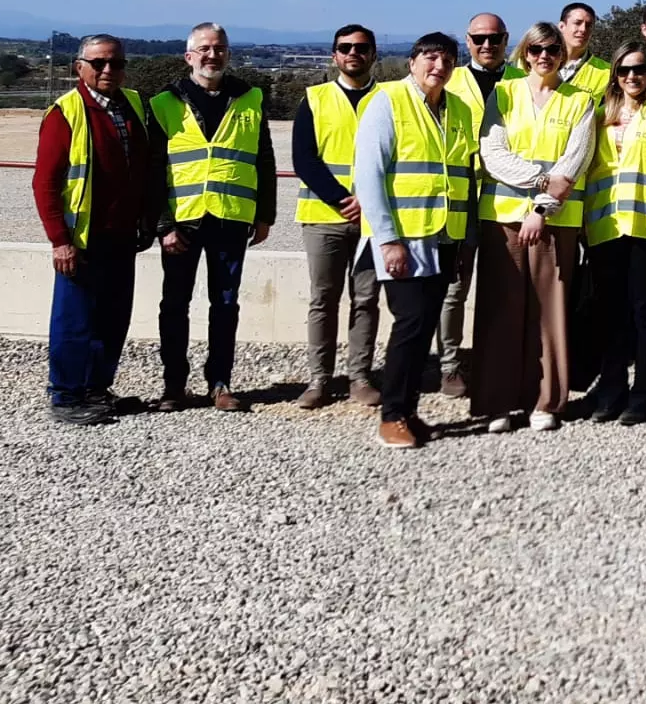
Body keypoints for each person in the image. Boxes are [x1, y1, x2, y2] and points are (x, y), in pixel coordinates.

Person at [353, 34, 477, 449]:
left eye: (447, 60)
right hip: (403, 238)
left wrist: (461, 239)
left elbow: (460, 176)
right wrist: (387, 239)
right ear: (412, 62)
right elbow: (368, 175)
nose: (438, 65)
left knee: (424, 326)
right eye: (430, 57)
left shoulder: (458, 108)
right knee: (409, 324)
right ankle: (391, 416)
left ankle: (409, 411)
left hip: (443, 237)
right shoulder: (387, 101)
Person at [472, 21, 596, 432]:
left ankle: (546, 402)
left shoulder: (580, 101)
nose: (545, 56)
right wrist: (541, 181)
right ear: (525, 53)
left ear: (563, 54)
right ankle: (497, 402)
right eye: (537, 49)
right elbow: (492, 153)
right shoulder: (504, 93)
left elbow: (575, 160)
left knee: (550, 313)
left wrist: (541, 209)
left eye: (553, 49)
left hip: (555, 220)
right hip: (502, 217)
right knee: (500, 310)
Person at [147, 23, 275, 413]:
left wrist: (264, 215)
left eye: (219, 48)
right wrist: (163, 225)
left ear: (228, 54)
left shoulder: (251, 98)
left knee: (225, 304)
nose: (212, 55)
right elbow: (152, 170)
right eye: (204, 49)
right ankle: (174, 386)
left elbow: (264, 160)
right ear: (189, 56)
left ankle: (220, 384)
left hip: (230, 218)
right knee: (174, 305)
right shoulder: (164, 102)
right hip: (182, 222)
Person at [31, 35, 155, 426]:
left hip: (122, 235)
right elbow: (45, 183)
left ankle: (97, 390)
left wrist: (147, 220)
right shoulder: (65, 113)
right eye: (98, 63)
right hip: (82, 238)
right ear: (79, 67)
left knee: (113, 318)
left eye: (116, 63)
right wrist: (60, 241)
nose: (108, 70)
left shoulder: (134, 105)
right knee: (75, 320)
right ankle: (66, 396)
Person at [583, 42, 646, 424]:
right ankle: (611, 392)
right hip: (605, 226)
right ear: (615, 75)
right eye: (624, 70)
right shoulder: (599, 116)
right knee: (610, 313)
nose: (632, 77)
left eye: (639, 69)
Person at [289, 25, 382, 410]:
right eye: (345, 48)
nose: (353, 53)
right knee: (323, 299)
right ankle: (319, 380)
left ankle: (360, 377)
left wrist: (369, 202)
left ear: (373, 54)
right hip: (324, 216)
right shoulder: (315, 98)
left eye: (361, 47)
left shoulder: (389, 99)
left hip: (374, 220)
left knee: (366, 299)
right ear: (334, 55)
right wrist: (343, 199)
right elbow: (304, 159)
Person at [436, 12, 509, 397]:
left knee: (506, 288)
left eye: (494, 38)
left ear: (506, 40)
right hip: (460, 202)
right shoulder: (451, 81)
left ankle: (498, 359)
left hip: (507, 201)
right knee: (454, 288)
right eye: (479, 38)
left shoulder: (523, 81)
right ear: (467, 41)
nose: (487, 45)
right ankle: (449, 365)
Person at [553, 2, 611, 98]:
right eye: (577, 23)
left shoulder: (608, 72)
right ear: (561, 27)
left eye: (588, 25)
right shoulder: (536, 63)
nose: (583, 29)